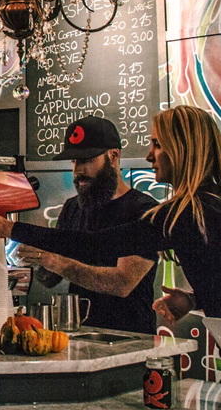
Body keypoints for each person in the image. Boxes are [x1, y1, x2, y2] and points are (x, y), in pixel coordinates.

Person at [0, 105, 221, 331]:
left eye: (157, 145)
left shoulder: (190, 211)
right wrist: (193, 299)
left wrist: (8, 227)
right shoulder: (210, 205)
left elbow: (98, 246)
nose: (148, 155)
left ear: (183, 149)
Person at [18, 116, 158, 335]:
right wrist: (38, 259)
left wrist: (56, 261)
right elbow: (50, 279)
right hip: (79, 333)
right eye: (74, 161)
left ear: (113, 156)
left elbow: (121, 283)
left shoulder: (144, 210)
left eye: (86, 160)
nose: (77, 171)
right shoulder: (73, 207)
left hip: (131, 338)